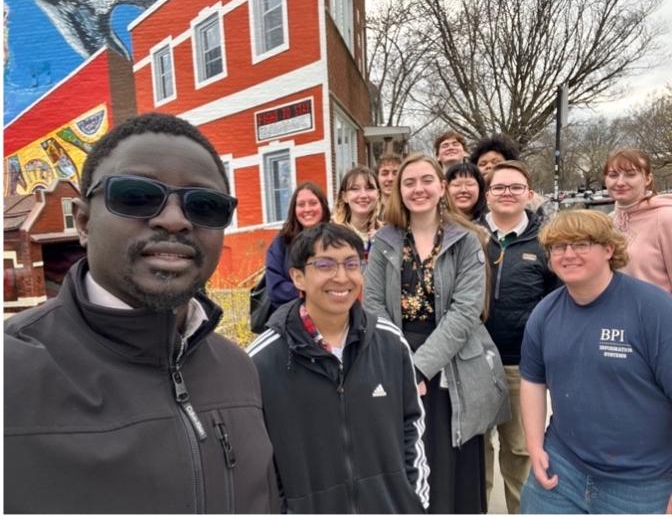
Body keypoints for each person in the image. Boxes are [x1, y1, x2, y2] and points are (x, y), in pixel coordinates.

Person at [3, 113, 279, 513]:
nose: (174, 219)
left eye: (204, 205)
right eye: (135, 196)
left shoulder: (238, 368)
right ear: (82, 221)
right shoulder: (11, 374)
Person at [248, 222, 430, 513]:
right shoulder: (263, 360)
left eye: (351, 264)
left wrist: (414, 500)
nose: (341, 277)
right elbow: (256, 457)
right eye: (325, 265)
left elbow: (411, 423)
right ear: (298, 277)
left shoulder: (390, 343)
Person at [520, 210, 672, 514]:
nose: (568, 254)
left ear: (609, 249)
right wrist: (534, 447)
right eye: (559, 247)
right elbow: (532, 380)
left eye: (581, 244)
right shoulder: (545, 313)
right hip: (563, 470)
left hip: (643, 483)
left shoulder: (658, 313)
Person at [364, 153, 510, 514]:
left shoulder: (468, 240)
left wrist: (420, 368)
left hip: (453, 363)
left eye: (426, 180)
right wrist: (401, 365)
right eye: (409, 182)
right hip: (396, 355)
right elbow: (372, 305)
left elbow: (465, 312)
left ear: (441, 187)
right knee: (410, 457)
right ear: (399, 190)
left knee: (452, 463)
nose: (418, 189)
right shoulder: (384, 241)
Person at [480, 160, 560, 514]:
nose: (507, 193)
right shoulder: (469, 237)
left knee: (520, 454)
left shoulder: (546, 242)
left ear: (528, 194)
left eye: (516, 187)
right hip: (473, 367)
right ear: (488, 195)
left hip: (521, 367)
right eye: (499, 187)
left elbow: (557, 303)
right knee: (475, 453)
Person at [604, 147, 672, 312]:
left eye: (631, 174)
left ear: (647, 179)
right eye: (613, 175)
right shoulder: (608, 222)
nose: (620, 182)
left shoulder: (669, 219)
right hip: (620, 329)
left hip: (662, 327)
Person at [265, 182, 330, 309]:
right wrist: (311, 294)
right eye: (301, 204)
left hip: (330, 313)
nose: (307, 209)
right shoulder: (282, 242)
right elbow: (274, 286)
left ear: (323, 206)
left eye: (313, 203)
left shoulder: (335, 240)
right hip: (290, 315)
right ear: (294, 210)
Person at [332, 165, 381, 258]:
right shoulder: (333, 236)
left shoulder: (387, 234)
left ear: (378, 194)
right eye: (355, 189)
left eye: (369, 188)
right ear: (344, 196)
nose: (363, 195)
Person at [375, 153, 402, 218]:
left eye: (395, 173)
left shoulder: (410, 209)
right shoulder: (369, 209)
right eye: (384, 174)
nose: (390, 179)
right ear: (377, 177)